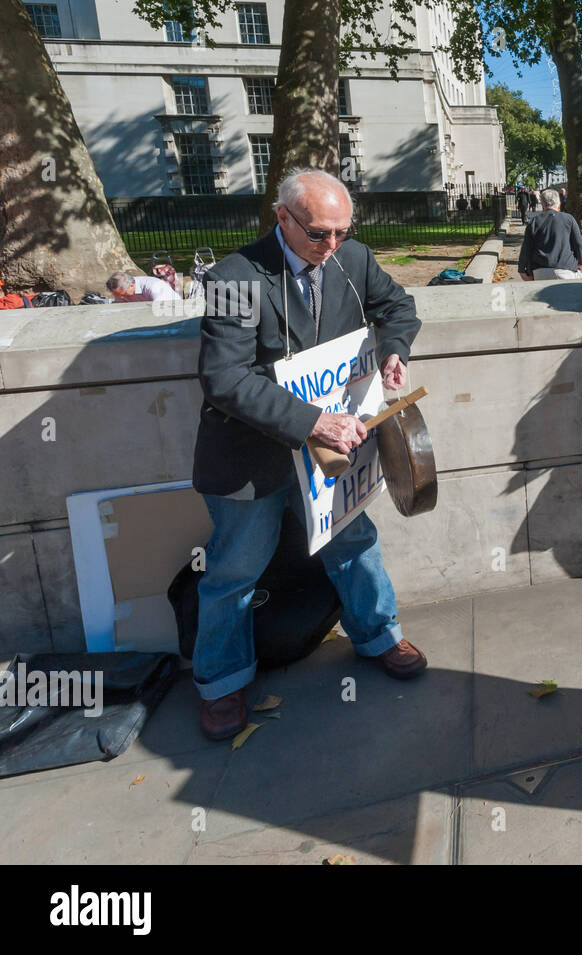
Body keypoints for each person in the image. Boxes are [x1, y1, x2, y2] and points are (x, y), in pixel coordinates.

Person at [190, 167, 426, 742]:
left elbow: (398, 307)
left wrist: (393, 348)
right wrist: (311, 421)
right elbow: (223, 378)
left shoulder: (355, 258)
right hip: (255, 455)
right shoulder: (234, 277)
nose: (333, 246)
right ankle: (221, 683)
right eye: (319, 233)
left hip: (332, 453)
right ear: (283, 218)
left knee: (352, 541)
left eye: (343, 231)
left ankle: (378, 635)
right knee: (234, 570)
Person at [517, 188, 582, 281]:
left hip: (539, 270)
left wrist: (522, 269)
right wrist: (581, 263)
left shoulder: (534, 221)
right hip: (566, 268)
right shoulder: (569, 219)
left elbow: (526, 247)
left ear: (542, 205)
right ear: (559, 204)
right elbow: (579, 244)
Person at [106, 271, 181, 302]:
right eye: (116, 295)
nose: (120, 298)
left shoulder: (154, 288)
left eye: (123, 295)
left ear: (132, 286)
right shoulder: (122, 289)